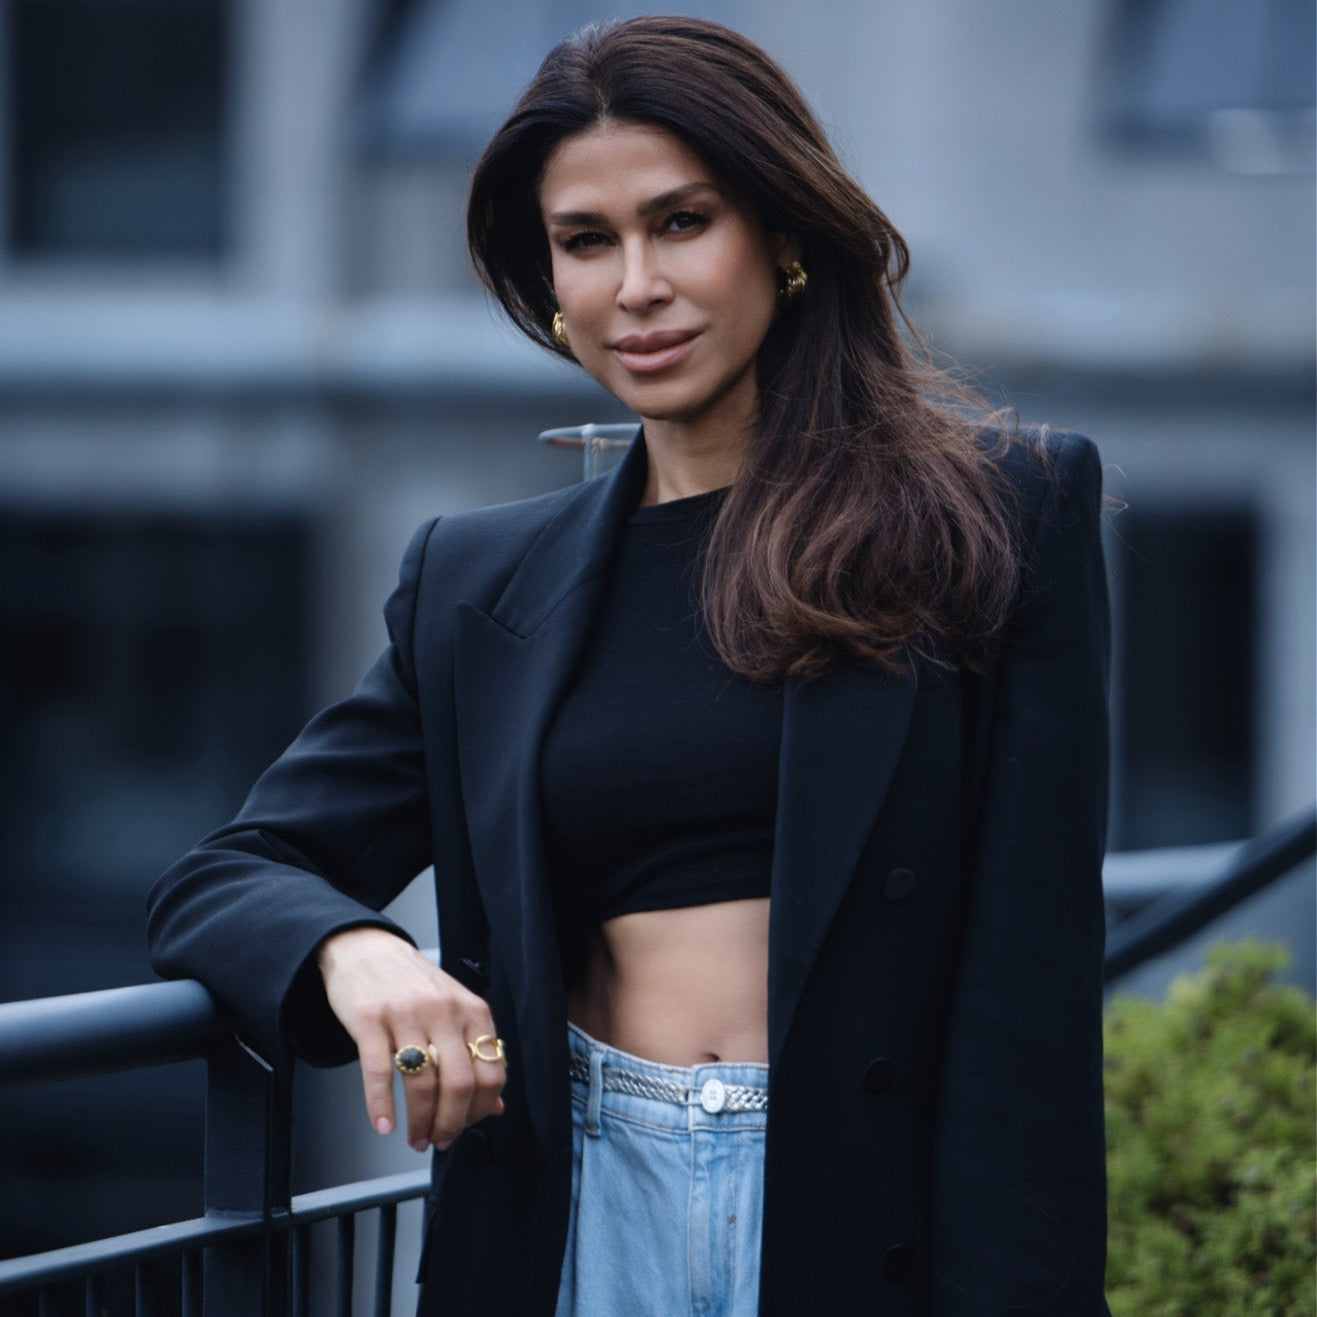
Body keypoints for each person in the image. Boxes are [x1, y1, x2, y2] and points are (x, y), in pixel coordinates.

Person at [147, 15, 1112, 1317]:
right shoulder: (475, 582)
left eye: (680, 222)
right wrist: (355, 949)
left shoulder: (996, 513)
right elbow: (230, 872)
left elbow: (1028, 1006)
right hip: (576, 1209)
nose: (634, 287)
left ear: (780, 234)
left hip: (864, 1213)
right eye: (586, 241)